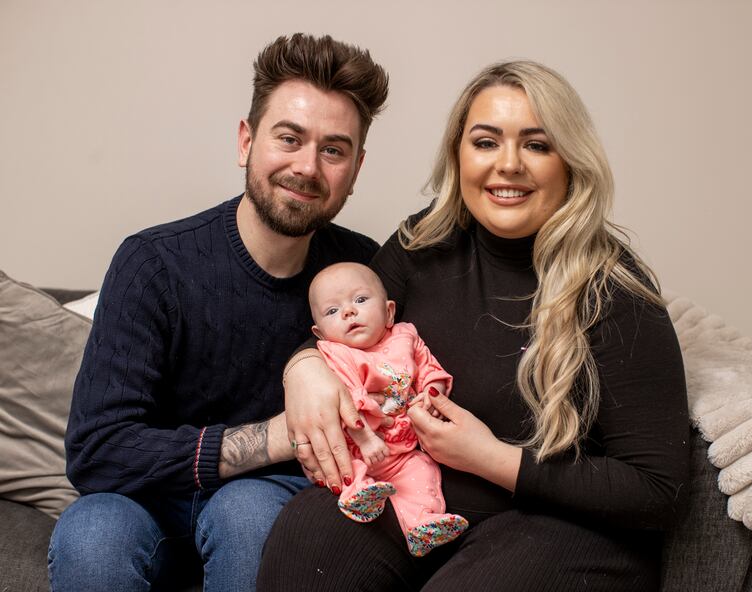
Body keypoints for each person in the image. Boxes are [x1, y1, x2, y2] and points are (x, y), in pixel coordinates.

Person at [259, 60, 690, 591]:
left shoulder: (615, 288)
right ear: (458, 155)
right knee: (308, 535)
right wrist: (302, 368)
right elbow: (345, 326)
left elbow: (658, 490)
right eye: (486, 142)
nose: (508, 165)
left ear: (571, 161)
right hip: (425, 501)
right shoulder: (422, 244)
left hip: (561, 525)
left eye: (537, 145)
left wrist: (490, 458)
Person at [47, 33, 388, 592]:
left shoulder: (365, 273)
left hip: (271, 504)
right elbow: (97, 452)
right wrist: (277, 436)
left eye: (333, 150)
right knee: (91, 534)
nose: (307, 167)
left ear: (356, 168)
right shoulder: (152, 263)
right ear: (246, 141)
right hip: (143, 505)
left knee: (246, 510)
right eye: (289, 138)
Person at [307, 262, 468, 556]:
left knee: (422, 470)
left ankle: (422, 524)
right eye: (332, 311)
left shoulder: (405, 337)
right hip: (355, 447)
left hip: (401, 451)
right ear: (320, 333)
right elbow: (347, 400)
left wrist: (432, 393)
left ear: (389, 312)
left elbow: (428, 366)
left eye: (360, 299)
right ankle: (359, 495)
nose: (348, 312)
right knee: (342, 467)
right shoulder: (335, 353)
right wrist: (366, 440)